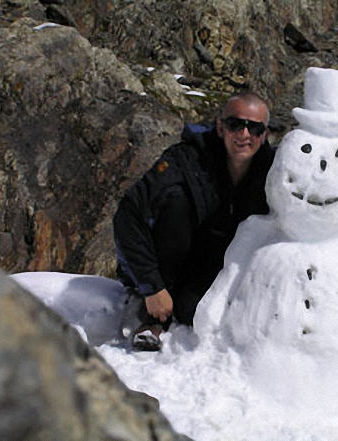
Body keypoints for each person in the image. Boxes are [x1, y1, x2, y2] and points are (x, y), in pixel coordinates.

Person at [113, 93, 274, 351]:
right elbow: (129, 214)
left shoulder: (274, 170)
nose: (244, 134)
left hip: (226, 266)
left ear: (264, 134)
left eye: (254, 128)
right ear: (220, 127)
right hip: (180, 259)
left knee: (194, 312)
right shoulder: (186, 159)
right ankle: (153, 317)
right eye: (235, 124)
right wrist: (152, 286)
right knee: (174, 203)